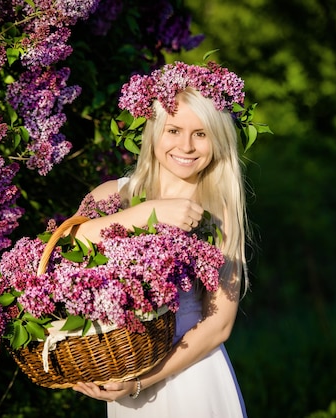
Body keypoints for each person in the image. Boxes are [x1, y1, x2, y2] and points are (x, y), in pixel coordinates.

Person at [71, 61, 255, 417]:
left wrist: (142, 381)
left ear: (217, 141)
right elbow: (66, 244)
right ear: (154, 132)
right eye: (173, 130)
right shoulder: (112, 196)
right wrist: (146, 212)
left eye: (201, 134)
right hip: (122, 367)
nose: (186, 146)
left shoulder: (218, 212)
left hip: (190, 374)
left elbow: (219, 325)